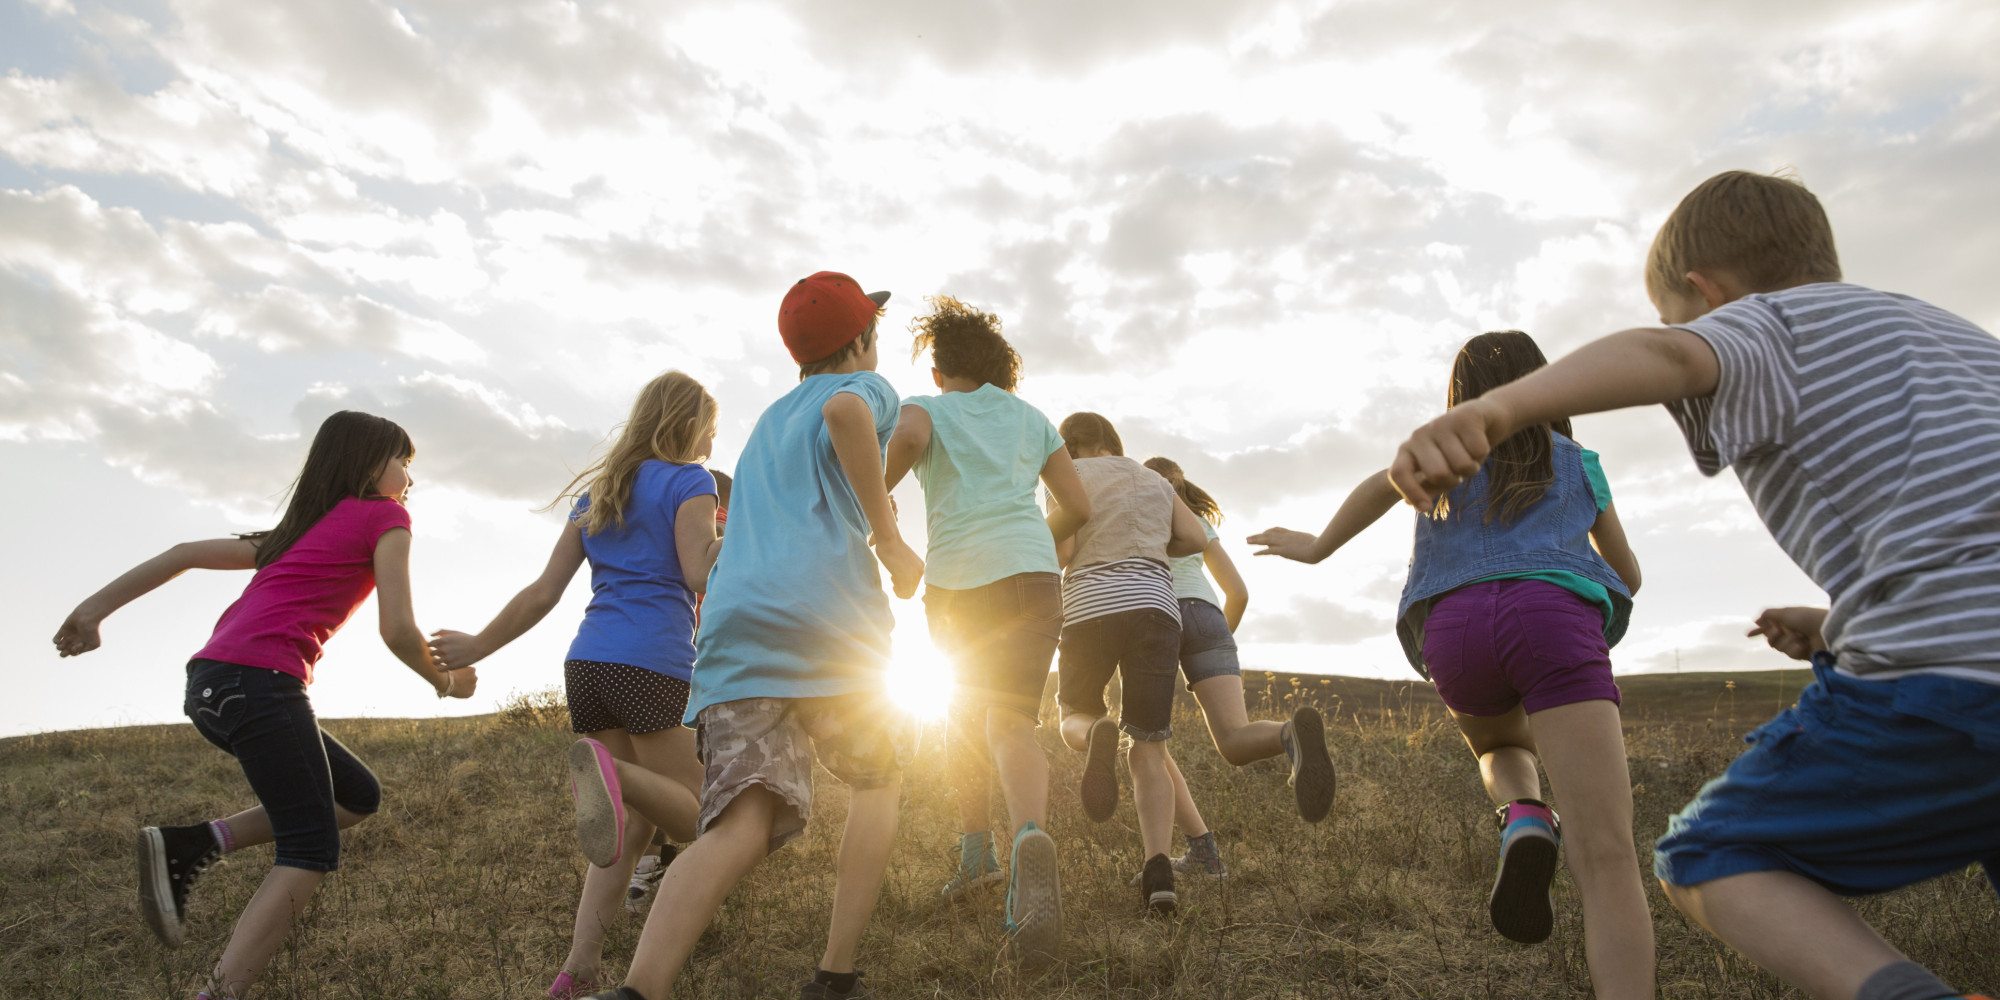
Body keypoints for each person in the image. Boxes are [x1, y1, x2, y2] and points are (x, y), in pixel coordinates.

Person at [1387, 171, 2000, 1000]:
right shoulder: (1961, 342)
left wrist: (1497, 411)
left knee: (1712, 855)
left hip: (1946, 678)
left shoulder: (1768, 322)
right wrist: (1834, 626)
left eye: (1680, 314)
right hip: (1964, 645)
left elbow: (1668, 354)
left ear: (1704, 292)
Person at [1252, 330, 1651, 998]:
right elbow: (1629, 575)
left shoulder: (1444, 454)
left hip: (1455, 628)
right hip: (1551, 619)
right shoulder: (1578, 460)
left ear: (1459, 395)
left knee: (1498, 747)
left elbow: (1382, 486)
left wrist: (1319, 546)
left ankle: (1524, 817)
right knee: (1608, 854)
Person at [51, 410, 475, 1000]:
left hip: (210, 685)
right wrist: (448, 681)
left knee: (355, 796)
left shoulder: (299, 528)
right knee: (310, 849)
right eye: (403, 459)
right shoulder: (386, 517)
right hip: (262, 682)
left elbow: (182, 552)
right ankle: (220, 994)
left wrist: (93, 611)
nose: (409, 474)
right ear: (367, 463)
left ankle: (195, 842)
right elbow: (399, 630)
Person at [585, 271, 923, 1000]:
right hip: (831, 626)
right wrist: (890, 540)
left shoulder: (769, 418)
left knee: (740, 823)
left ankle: (638, 990)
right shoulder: (866, 389)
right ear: (863, 341)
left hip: (737, 633)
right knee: (879, 775)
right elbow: (843, 410)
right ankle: (834, 975)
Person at [426, 371, 723, 999]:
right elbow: (699, 570)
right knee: (711, 822)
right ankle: (611, 777)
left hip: (588, 665)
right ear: (690, 425)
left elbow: (543, 593)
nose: (711, 444)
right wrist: (748, 535)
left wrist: (478, 644)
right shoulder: (690, 481)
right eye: (710, 430)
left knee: (631, 828)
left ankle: (577, 969)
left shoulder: (601, 491)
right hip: (652, 663)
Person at [880, 295, 1090, 965]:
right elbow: (1077, 505)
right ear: (999, 366)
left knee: (963, 721)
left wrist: (872, 488)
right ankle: (1027, 836)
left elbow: (907, 440)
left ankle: (979, 854)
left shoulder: (928, 408)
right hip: (1032, 576)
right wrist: (1032, 540)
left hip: (960, 584)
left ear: (941, 367)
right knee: (1011, 723)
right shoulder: (1032, 418)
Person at [1046, 412, 1217, 915]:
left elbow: (1065, 550)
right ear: (1112, 442)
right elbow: (1196, 540)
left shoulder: (1064, 477)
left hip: (1092, 606)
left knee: (1072, 712)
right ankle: (1159, 870)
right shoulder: (1152, 478)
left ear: (1070, 446)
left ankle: (1093, 730)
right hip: (1157, 610)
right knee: (1148, 748)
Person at [1138, 457, 1336, 886]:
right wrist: (1207, 647)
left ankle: (1200, 850)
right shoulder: (1197, 525)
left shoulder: (1137, 514)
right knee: (1233, 740)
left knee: (1145, 743)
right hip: (1209, 617)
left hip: (1157, 615)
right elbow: (1238, 593)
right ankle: (1288, 734)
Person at [627, 469, 730, 917]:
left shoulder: (703, 523)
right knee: (687, 773)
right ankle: (676, 867)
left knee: (667, 769)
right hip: (691, 659)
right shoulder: (711, 522)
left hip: (685, 657)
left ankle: (664, 863)